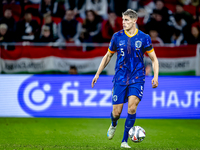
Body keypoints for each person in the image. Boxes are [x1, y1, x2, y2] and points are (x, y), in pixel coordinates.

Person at [91, 9, 159, 148]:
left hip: (137, 77)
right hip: (120, 77)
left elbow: (154, 59)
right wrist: (97, 73)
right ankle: (114, 123)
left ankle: (124, 141)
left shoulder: (144, 37)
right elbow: (108, 55)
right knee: (117, 112)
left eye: (127, 20)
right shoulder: (117, 36)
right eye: (123, 20)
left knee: (132, 108)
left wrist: (155, 76)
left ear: (135, 21)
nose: (123, 22)